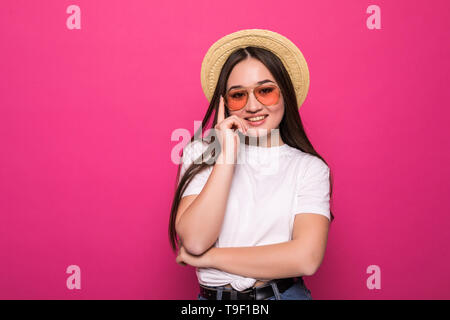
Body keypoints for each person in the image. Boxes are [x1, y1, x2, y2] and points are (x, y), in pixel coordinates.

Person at [169, 29, 334, 300]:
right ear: (225, 104)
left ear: (285, 94)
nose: (253, 106)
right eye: (238, 95)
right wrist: (226, 156)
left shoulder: (310, 168)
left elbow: (306, 258)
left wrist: (207, 258)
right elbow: (196, 240)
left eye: (265, 91)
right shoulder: (199, 154)